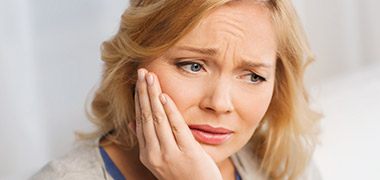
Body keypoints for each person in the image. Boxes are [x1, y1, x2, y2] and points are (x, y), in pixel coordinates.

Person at [32, 0, 321, 179]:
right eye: (192, 66)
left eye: (253, 76)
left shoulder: (283, 167)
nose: (220, 103)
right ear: (133, 67)